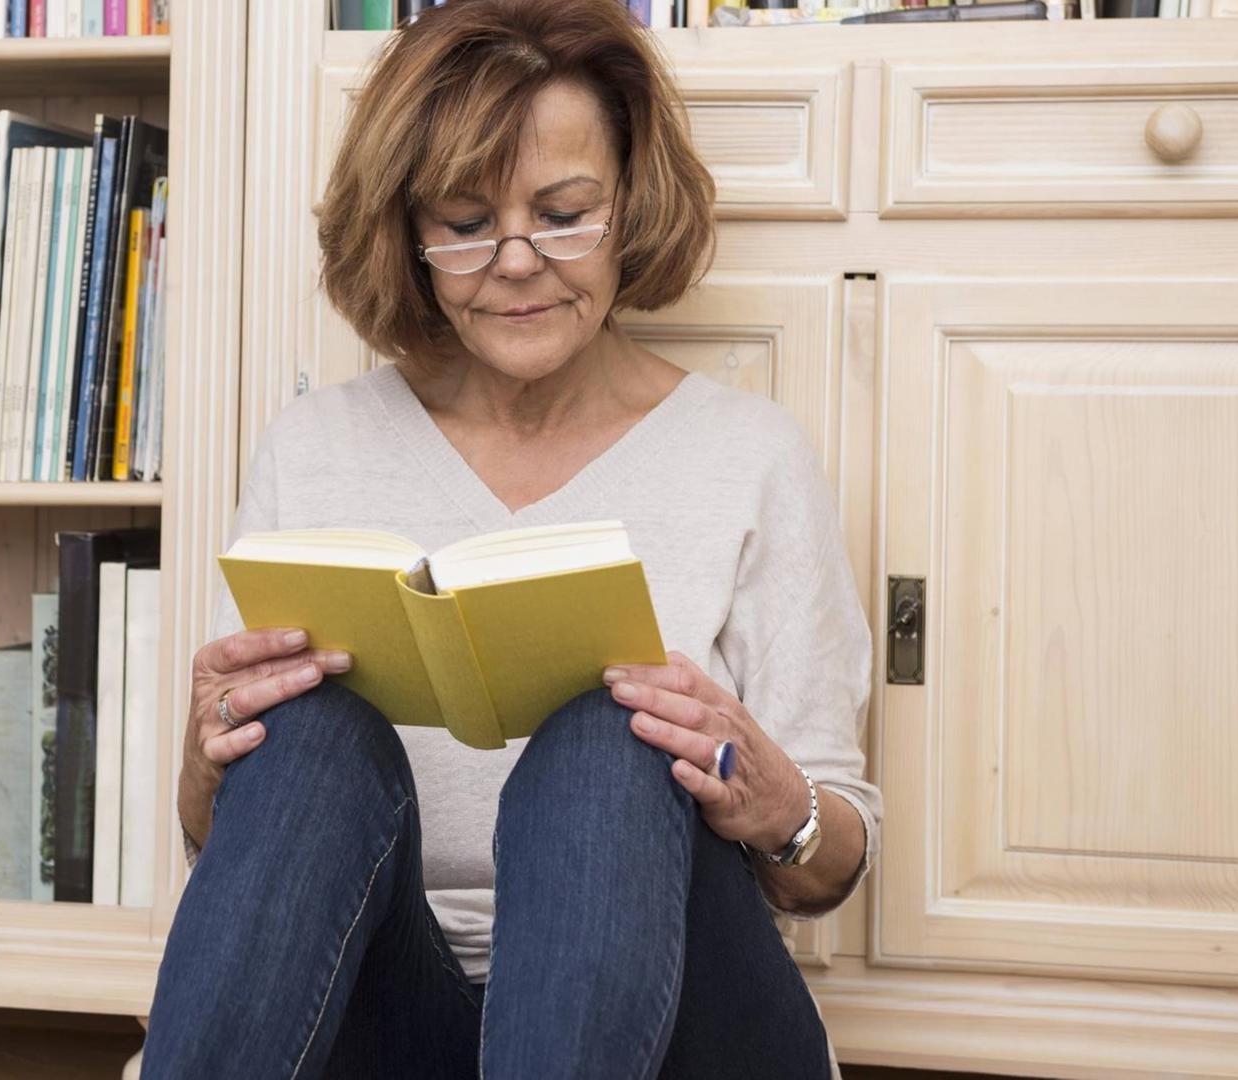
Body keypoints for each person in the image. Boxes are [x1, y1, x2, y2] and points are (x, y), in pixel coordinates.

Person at [142, 0, 880, 1075]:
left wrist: (776, 799)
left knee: (610, 733)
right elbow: (227, 850)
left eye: (565, 212)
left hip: (682, 1015)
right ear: (412, 233)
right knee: (302, 738)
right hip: (399, 1011)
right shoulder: (316, 450)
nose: (520, 261)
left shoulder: (751, 455)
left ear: (631, 208)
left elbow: (829, 870)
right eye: (467, 220)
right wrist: (213, 759)